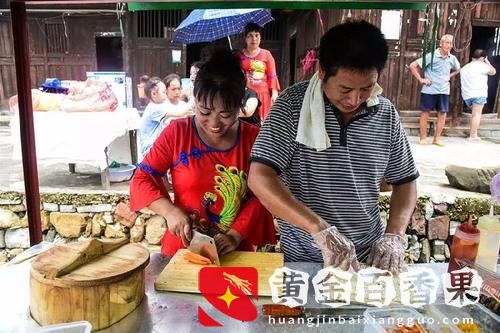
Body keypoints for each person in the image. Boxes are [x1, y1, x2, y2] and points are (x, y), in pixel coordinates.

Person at [247, 20, 419, 273]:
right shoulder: (291, 107)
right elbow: (259, 178)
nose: (354, 99)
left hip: (367, 259)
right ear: (322, 70)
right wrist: (320, 231)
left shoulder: (385, 114)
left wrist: (394, 235)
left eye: (367, 88)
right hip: (304, 258)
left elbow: (405, 181)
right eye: (345, 88)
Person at [130, 49, 276, 258]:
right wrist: (170, 211)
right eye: (204, 112)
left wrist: (235, 234)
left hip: (234, 251)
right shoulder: (177, 133)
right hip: (182, 250)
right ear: (194, 100)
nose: (214, 123)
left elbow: (262, 194)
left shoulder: (254, 139)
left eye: (226, 114)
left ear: (239, 105)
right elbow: (142, 179)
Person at [409, 34, 461, 146]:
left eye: (451, 43)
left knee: (442, 113)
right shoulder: (431, 56)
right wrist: (421, 79)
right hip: (429, 90)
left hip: (444, 90)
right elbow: (413, 65)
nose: (449, 45)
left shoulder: (452, 58)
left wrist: (449, 76)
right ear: (441, 44)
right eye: (446, 42)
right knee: (425, 112)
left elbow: (458, 69)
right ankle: (423, 138)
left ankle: (437, 139)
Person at [139, 75, 191, 156]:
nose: (166, 95)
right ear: (154, 94)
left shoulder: (157, 106)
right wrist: (193, 100)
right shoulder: (154, 108)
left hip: (155, 146)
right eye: (164, 92)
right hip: (150, 149)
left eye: (179, 88)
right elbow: (180, 113)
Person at [238, 22, 280, 122]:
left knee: (262, 124)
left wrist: (274, 94)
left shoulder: (266, 54)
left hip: (263, 95)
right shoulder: (239, 56)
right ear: (245, 38)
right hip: (246, 95)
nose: (254, 39)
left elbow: (272, 75)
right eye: (250, 36)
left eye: (257, 35)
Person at [460, 49, 497, 141]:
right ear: (482, 58)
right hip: (478, 94)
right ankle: (473, 135)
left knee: (474, 114)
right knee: (476, 115)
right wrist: (487, 62)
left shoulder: (465, 67)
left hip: (467, 96)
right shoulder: (482, 65)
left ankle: (473, 132)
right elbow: (493, 72)